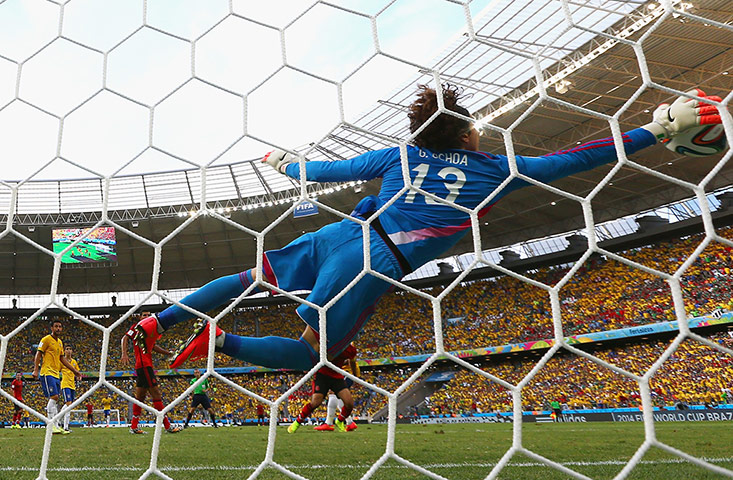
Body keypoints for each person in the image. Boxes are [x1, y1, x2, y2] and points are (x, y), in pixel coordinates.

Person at [128, 85, 722, 373]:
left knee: (248, 275)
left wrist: (283, 163)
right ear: (464, 133)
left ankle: (161, 320)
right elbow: (577, 160)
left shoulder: (397, 158)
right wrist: (656, 129)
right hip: (374, 261)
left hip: (338, 235)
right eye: (477, 128)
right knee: (316, 358)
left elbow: (318, 171)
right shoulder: (495, 170)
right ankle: (222, 343)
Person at [121, 316, 182, 435]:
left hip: (143, 366)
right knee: (156, 394)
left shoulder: (149, 331)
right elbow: (124, 338)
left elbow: (152, 346)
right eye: (144, 315)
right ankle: (167, 425)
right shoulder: (137, 328)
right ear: (140, 317)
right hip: (144, 366)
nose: (146, 317)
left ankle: (134, 426)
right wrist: (124, 353)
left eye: (148, 315)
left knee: (140, 397)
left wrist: (167, 353)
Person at [288, 343, 359, 433]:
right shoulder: (327, 343)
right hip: (322, 375)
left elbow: (352, 362)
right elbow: (313, 353)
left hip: (337, 376)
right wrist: (308, 366)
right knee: (315, 403)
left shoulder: (349, 349)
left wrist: (356, 377)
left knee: (349, 403)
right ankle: (297, 422)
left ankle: (339, 420)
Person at [32, 319, 82, 435]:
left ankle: (56, 425)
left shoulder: (60, 342)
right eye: (56, 326)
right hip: (46, 372)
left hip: (55, 373)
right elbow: (38, 353)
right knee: (54, 397)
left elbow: (62, 359)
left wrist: (75, 371)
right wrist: (36, 370)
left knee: (56, 398)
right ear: (52, 328)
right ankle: (51, 425)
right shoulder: (45, 340)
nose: (58, 328)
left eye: (60, 326)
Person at [60, 346, 79, 432]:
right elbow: (57, 369)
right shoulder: (62, 361)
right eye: (67, 349)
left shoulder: (74, 362)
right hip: (65, 384)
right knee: (68, 405)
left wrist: (79, 377)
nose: (68, 351)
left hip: (72, 385)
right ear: (64, 351)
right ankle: (65, 427)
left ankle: (57, 419)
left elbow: (77, 372)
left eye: (70, 349)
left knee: (69, 405)